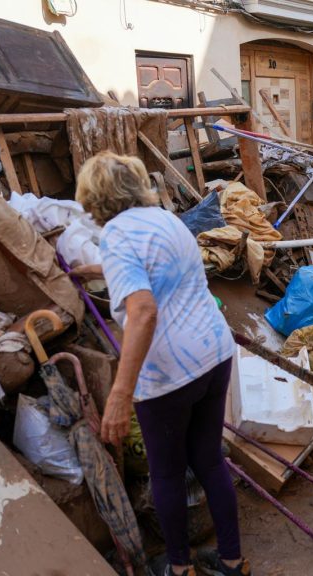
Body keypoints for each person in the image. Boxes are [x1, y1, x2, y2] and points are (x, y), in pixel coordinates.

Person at [72, 152, 249, 576]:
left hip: (170, 373)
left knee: (166, 474)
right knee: (207, 459)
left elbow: (144, 310)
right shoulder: (165, 219)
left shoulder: (116, 235)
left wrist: (120, 393)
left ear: (95, 198)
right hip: (214, 352)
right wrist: (95, 270)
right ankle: (232, 563)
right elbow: (154, 266)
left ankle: (179, 569)